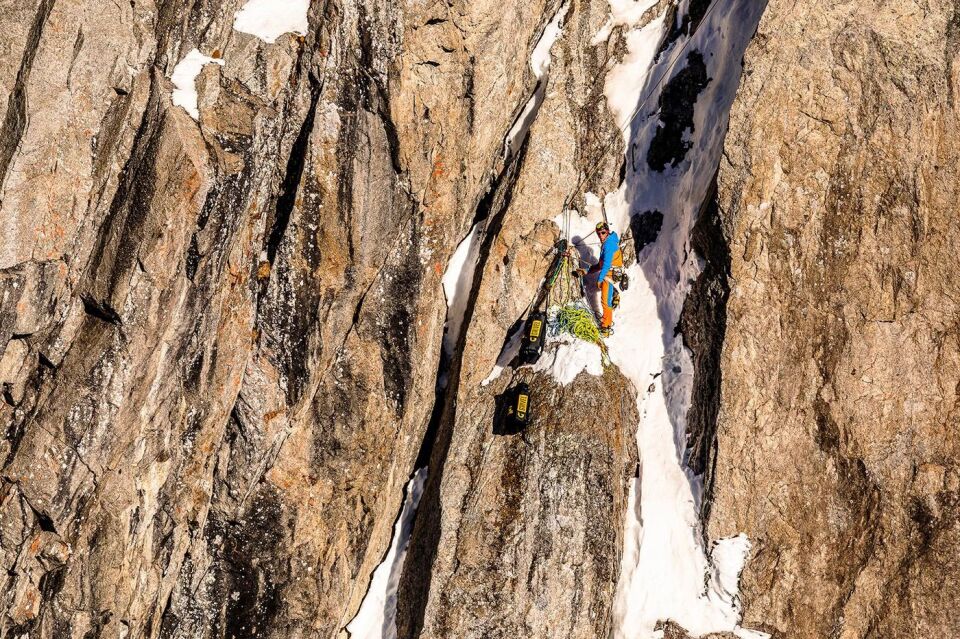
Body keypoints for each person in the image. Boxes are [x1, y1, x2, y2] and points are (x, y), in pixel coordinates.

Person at [575, 221, 623, 337]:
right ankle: (614, 294)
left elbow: (606, 265)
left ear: (607, 232)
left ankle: (606, 327)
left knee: (605, 302)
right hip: (610, 272)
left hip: (610, 274)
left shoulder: (609, 245)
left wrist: (600, 279)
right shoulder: (608, 241)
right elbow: (601, 265)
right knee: (603, 289)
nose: (600, 236)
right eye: (599, 233)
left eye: (603, 233)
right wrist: (587, 271)